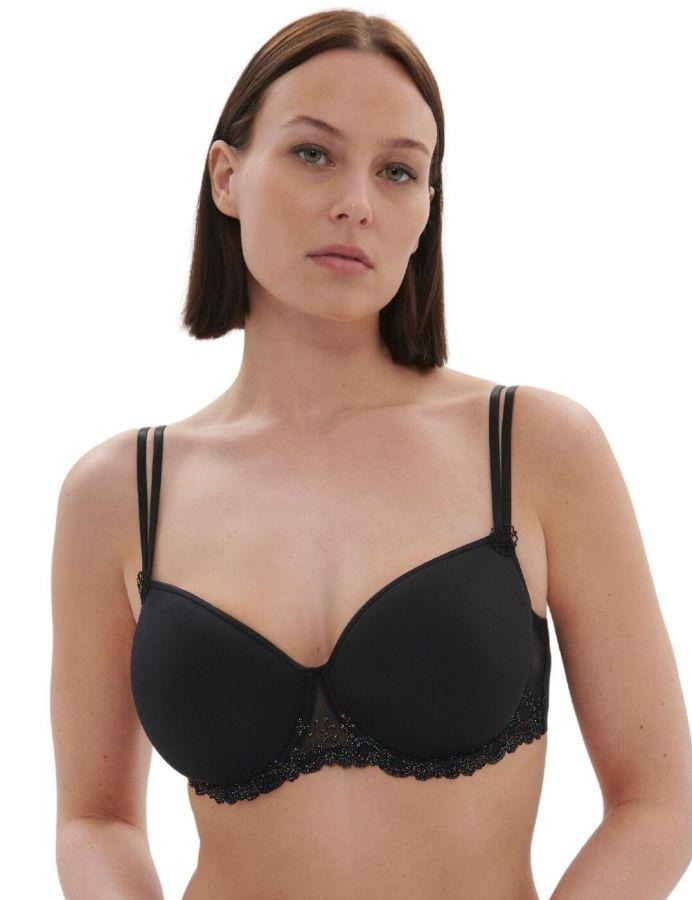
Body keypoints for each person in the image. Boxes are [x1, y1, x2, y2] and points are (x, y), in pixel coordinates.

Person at [51, 10, 692, 899]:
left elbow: (659, 801)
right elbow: (95, 818)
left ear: (427, 209)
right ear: (227, 177)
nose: (356, 200)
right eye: (313, 153)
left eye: (397, 170)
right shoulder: (120, 492)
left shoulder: (536, 448)